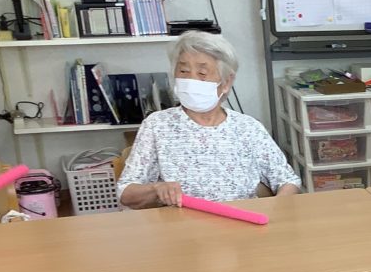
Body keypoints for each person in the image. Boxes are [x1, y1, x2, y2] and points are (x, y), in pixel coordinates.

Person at [118, 31, 301, 208]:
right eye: (183, 71)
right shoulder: (157, 125)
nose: (190, 79)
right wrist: (156, 189)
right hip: (182, 225)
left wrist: (276, 209)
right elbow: (126, 193)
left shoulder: (248, 128)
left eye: (202, 73)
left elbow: (288, 181)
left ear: (226, 82)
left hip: (243, 222)